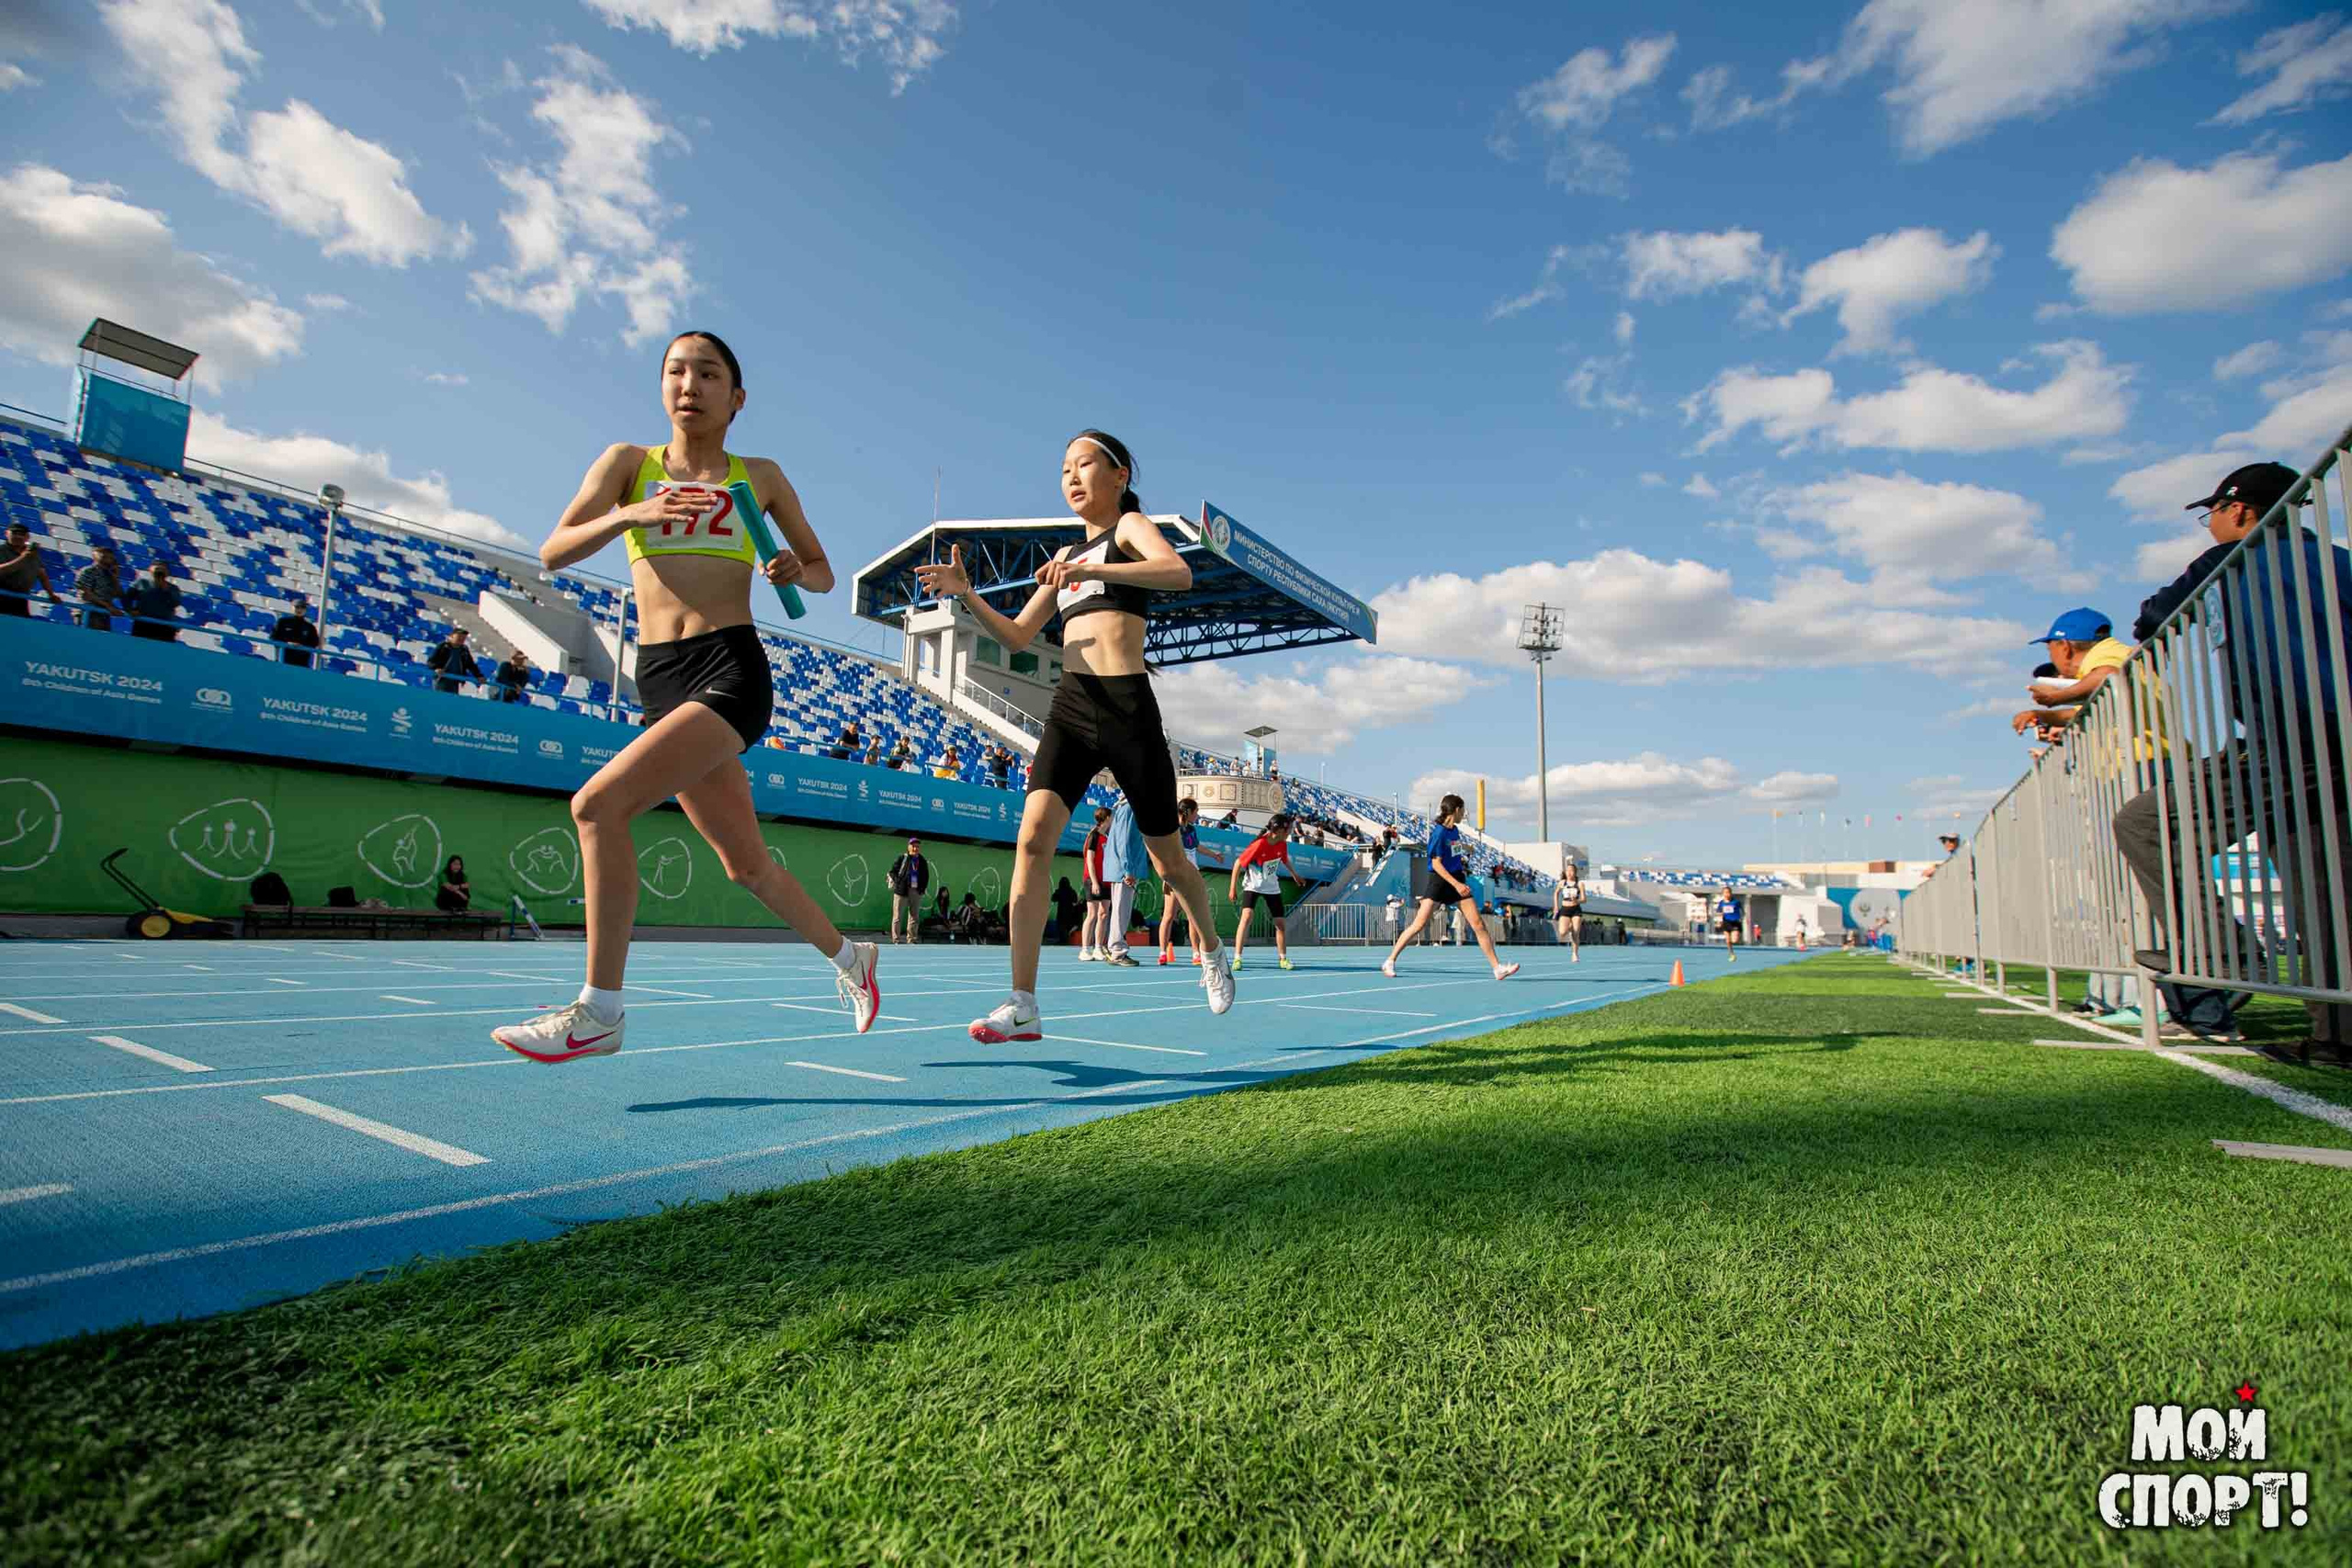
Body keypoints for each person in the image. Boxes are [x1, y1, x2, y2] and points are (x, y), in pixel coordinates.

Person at [491, 330, 878, 1063]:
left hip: (730, 667)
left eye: (707, 373)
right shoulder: (627, 466)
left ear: (736, 397)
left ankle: (599, 1011)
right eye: (675, 371)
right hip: (660, 677)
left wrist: (797, 568)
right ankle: (852, 958)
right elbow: (553, 549)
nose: (688, 384)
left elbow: (824, 573)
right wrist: (627, 517)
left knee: (597, 805)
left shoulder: (757, 475)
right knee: (748, 865)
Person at [914, 429, 1233, 1042]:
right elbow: (1014, 635)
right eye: (1064, 468)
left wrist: (1093, 563)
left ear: (1118, 475)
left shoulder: (1127, 530)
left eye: (1085, 464)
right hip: (1072, 707)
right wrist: (968, 596)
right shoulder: (1066, 563)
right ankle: (1024, 998)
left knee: (1169, 861)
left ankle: (1212, 950)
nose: (1072, 476)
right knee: (1032, 838)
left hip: (1127, 708)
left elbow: (1178, 572)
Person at [2114, 459, 2352, 1056]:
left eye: (2210, 513)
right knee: (2321, 891)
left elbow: (2153, 614)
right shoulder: (2338, 561)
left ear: (2240, 510)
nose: (2208, 525)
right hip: (2337, 737)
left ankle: (2223, 951)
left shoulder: (2229, 560)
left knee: (2145, 822)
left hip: (2287, 734)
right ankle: (2340, 1036)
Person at [1381, 794, 1518, 981]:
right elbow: (1436, 863)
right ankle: (1390, 961)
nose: (1464, 814)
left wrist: (1465, 849)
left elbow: (1452, 849)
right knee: (1419, 924)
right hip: (1440, 881)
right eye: (1463, 810)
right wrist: (1457, 885)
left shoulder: (1454, 830)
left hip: (1457, 879)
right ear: (1456, 810)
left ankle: (1497, 968)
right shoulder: (1438, 833)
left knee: (1478, 924)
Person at [1228, 815, 1299, 972]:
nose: (1290, 832)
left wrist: (1295, 874)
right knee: (1246, 918)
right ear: (1280, 830)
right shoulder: (1259, 844)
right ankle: (1237, 958)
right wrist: (1232, 888)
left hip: (1272, 887)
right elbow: (1238, 863)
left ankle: (1283, 959)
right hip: (1252, 886)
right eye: (1288, 830)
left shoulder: (1282, 844)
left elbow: (1285, 860)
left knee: (1280, 924)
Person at [1102, 789, 1149, 966]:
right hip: (1124, 870)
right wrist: (1128, 869)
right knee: (1121, 911)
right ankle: (1117, 951)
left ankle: (1116, 949)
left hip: (1125, 869)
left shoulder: (1126, 808)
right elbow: (1123, 841)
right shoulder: (1128, 809)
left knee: (1121, 911)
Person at [1159, 795, 1203, 966]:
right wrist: (1165, 876)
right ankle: (1163, 952)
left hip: (1191, 876)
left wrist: (1214, 855)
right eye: (1196, 812)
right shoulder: (1172, 829)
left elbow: (1196, 847)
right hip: (1174, 877)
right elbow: (1164, 853)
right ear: (1189, 811)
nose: (1197, 815)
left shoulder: (1191, 829)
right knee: (1169, 915)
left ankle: (1196, 953)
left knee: (1192, 917)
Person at [0, 523, 61, 617]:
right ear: (6, 533)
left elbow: (42, 576)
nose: (18, 536)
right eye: (15, 533)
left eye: (22, 534)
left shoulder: (33, 555)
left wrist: (51, 594)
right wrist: (24, 557)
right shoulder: (2, 551)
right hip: (3, 595)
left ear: (27, 537)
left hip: (21, 599)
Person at [1078, 806, 1113, 960]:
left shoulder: (1107, 837)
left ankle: (1098, 947)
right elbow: (1090, 861)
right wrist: (1095, 882)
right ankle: (1085, 949)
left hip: (1106, 880)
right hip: (1093, 880)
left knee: (1104, 914)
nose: (1113, 821)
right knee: (1092, 914)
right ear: (1105, 818)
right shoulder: (1094, 836)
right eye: (1111, 817)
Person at [122, 559, 183, 641]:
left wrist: (165, 589)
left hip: (165, 625)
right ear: (150, 569)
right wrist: (130, 610)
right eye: (157, 568)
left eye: (163, 569)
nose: (160, 571)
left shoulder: (173, 588)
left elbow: (176, 603)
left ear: (168, 573)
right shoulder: (141, 583)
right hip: (143, 624)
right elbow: (127, 598)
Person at [887, 836, 930, 945]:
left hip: (916, 891)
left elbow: (926, 876)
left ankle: (912, 939)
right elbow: (892, 872)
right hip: (901, 891)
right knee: (897, 917)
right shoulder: (903, 858)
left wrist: (922, 889)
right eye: (913, 846)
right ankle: (896, 940)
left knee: (914, 917)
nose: (915, 848)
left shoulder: (922, 860)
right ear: (909, 847)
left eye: (917, 847)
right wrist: (898, 882)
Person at [74, 544, 127, 632]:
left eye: (110, 557)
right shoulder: (88, 571)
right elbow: (86, 594)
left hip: (104, 614)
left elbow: (119, 594)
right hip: (90, 612)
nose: (108, 559)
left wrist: (116, 578)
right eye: (104, 556)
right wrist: (108, 606)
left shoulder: (110, 575)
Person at [272, 593, 321, 666]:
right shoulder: (282, 622)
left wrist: (301, 646)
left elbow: (314, 644)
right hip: (283, 660)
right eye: (297, 607)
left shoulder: (310, 627)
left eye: (302, 607)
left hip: (301, 664)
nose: (299, 610)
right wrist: (287, 643)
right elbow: (273, 637)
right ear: (292, 607)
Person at [428, 626, 481, 694]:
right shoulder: (443, 646)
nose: (461, 639)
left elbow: (470, 664)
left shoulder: (464, 649)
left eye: (463, 638)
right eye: (459, 637)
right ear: (452, 636)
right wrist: (436, 668)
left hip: (456, 680)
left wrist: (479, 675)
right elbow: (431, 661)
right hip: (442, 679)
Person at [1553, 861, 1585, 961]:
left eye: (1571, 871)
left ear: (1575, 872)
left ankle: (1575, 954)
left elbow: (1584, 899)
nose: (1569, 873)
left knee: (1576, 933)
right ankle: (1570, 928)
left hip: (1576, 910)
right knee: (1562, 933)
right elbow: (1556, 893)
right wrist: (1556, 906)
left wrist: (1577, 900)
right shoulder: (1562, 883)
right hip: (1565, 910)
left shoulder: (1580, 884)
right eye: (1567, 871)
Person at [1048, 874, 1084, 943]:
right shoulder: (1072, 891)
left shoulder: (1059, 891)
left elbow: (1053, 898)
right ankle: (1067, 940)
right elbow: (1075, 901)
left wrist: (1057, 891)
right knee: (1068, 928)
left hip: (1061, 913)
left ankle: (1062, 940)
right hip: (1070, 913)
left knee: (1061, 928)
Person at [1717, 887, 1742, 961]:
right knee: (1728, 941)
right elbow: (1719, 912)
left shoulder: (1736, 902)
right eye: (1725, 892)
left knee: (1734, 941)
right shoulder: (1722, 903)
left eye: (1728, 892)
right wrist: (1719, 922)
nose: (1727, 894)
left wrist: (1740, 917)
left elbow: (1741, 911)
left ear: (1731, 893)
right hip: (1726, 922)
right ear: (1723, 894)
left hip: (1735, 922)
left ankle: (1738, 937)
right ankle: (1731, 954)